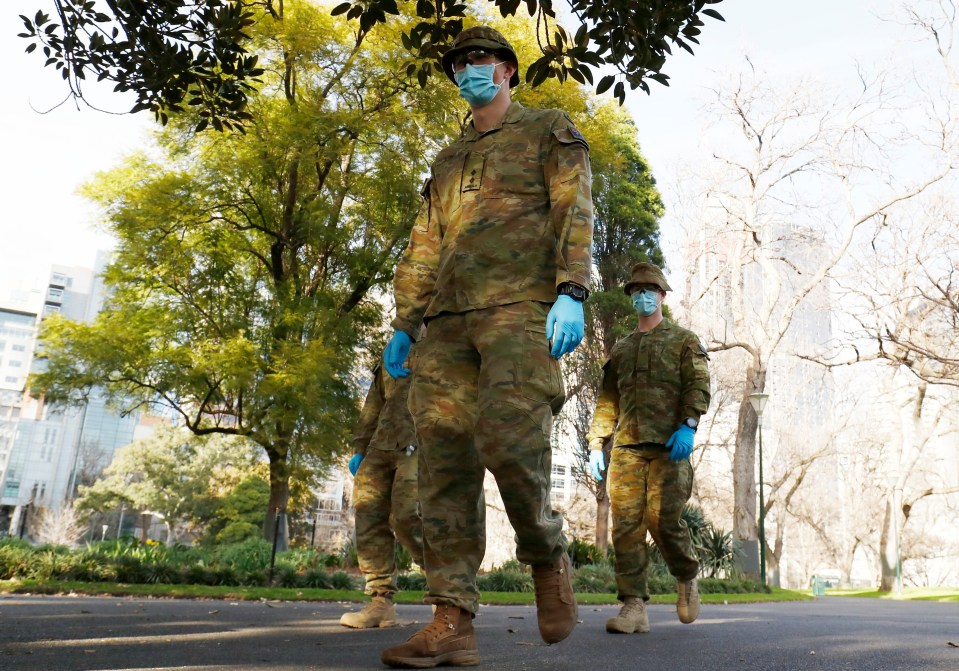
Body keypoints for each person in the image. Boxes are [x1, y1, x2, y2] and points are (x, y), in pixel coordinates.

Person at [379, 25, 594, 668]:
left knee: (509, 440)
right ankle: (452, 622)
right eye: (460, 65)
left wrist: (572, 289)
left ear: (505, 69)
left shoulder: (546, 129)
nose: (469, 72)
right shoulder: (446, 159)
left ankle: (546, 551)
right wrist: (404, 319)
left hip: (522, 309)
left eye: (479, 61)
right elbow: (425, 241)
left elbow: (574, 206)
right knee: (443, 468)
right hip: (446, 322)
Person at [585, 262, 711, 635]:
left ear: (662, 296)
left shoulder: (684, 340)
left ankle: (687, 575)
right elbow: (608, 398)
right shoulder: (622, 348)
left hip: (670, 445)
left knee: (662, 520)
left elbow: (698, 385)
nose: (642, 296)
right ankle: (633, 606)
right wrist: (596, 442)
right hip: (627, 447)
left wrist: (689, 425)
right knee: (626, 526)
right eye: (636, 291)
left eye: (649, 291)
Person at [340, 363, 424, 629]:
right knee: (367, 511)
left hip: (422, 440)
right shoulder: (395, 347)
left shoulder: (447, 332)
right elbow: (374, 400)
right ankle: (380, 602)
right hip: (382, 442)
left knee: (407, 513)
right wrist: (360, 446)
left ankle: (444, 585)